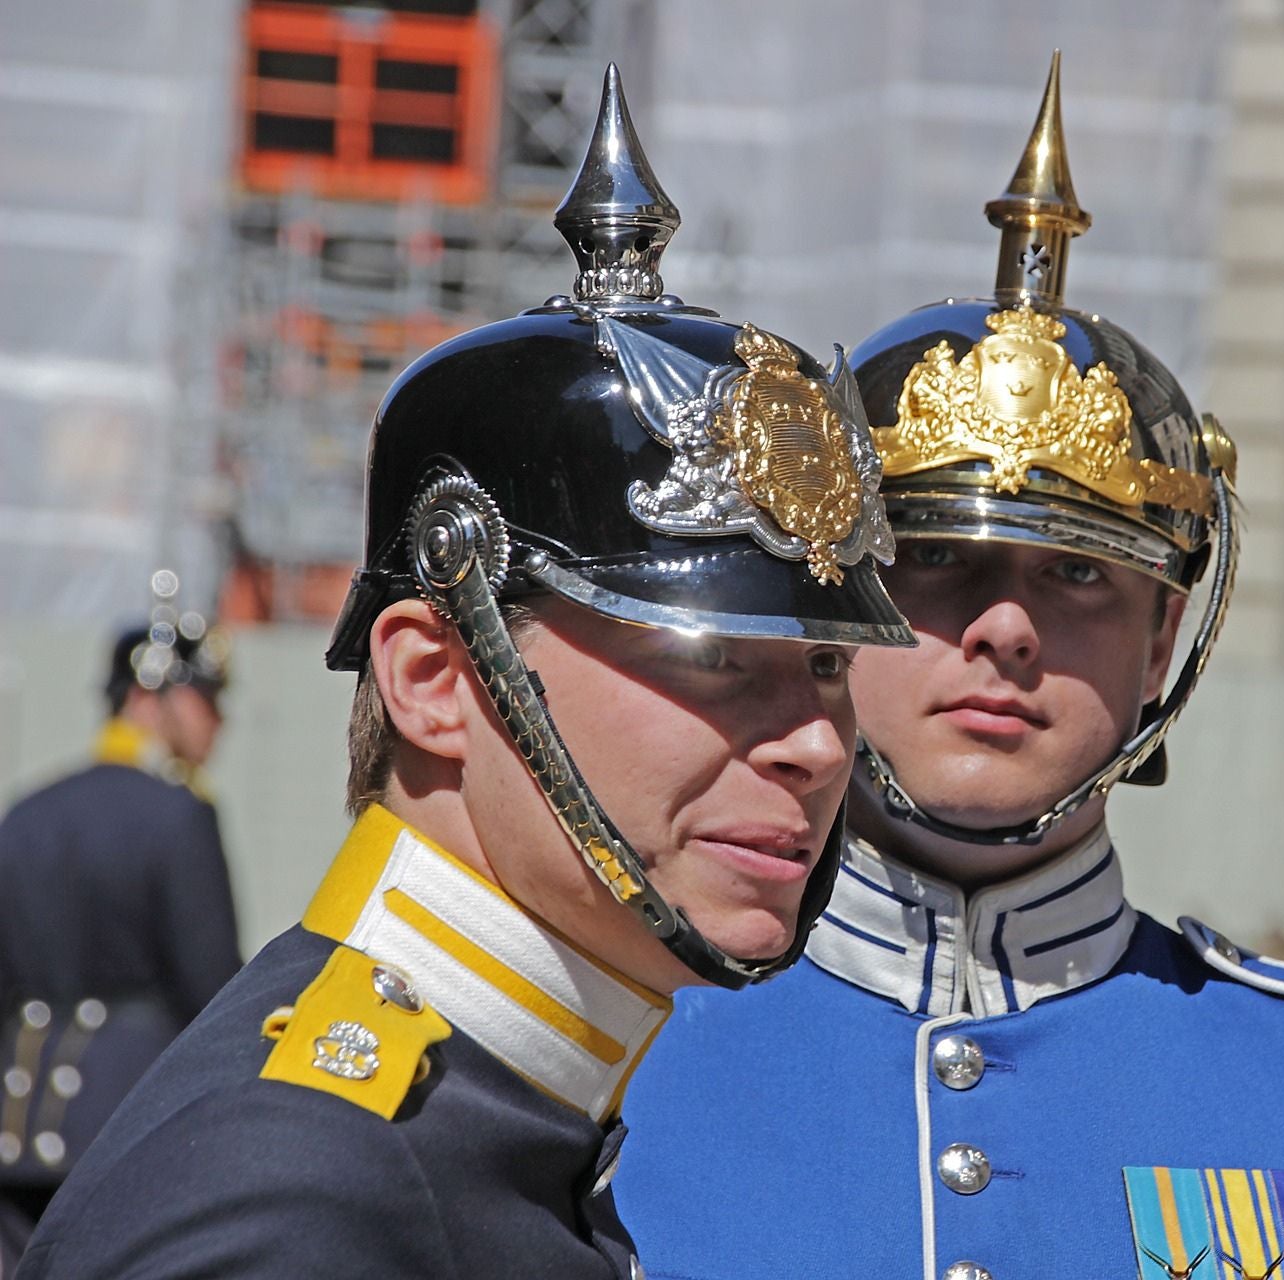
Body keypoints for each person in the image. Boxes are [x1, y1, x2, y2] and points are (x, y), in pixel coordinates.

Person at [614, 55, 1284, 1279]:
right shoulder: (601, 1057)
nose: (1007, 628)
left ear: (1163, 640)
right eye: (937, 559)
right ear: (831, 611)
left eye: (1077, 575)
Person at [16, 64, 910, 1280]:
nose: (814, 743)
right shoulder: (299, 1200)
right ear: (436, 679)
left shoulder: (475, 1123)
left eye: (827, 663)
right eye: (713, 657)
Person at [0, 589, 240, 1268]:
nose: (219, 720)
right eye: (205, 698)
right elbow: (211, 992)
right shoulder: (179, 816)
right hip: (130, 1124)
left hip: (16, 1124)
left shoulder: (26, 814)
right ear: (151, 697)